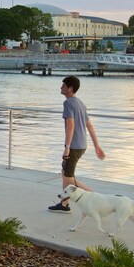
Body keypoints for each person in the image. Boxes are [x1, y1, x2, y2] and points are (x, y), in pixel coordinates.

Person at [48, 75, 105, 213]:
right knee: (65, 173)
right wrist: (97, 146)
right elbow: (90, 126)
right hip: (82, 145)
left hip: (74, 146)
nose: (60, 87)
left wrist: (67, 148)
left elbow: (70, 126)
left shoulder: (68, 103)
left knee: (68, 178)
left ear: (70, 88)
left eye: (63, 85)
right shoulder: (80, 103)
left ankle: (96, 198)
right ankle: (64, 204)